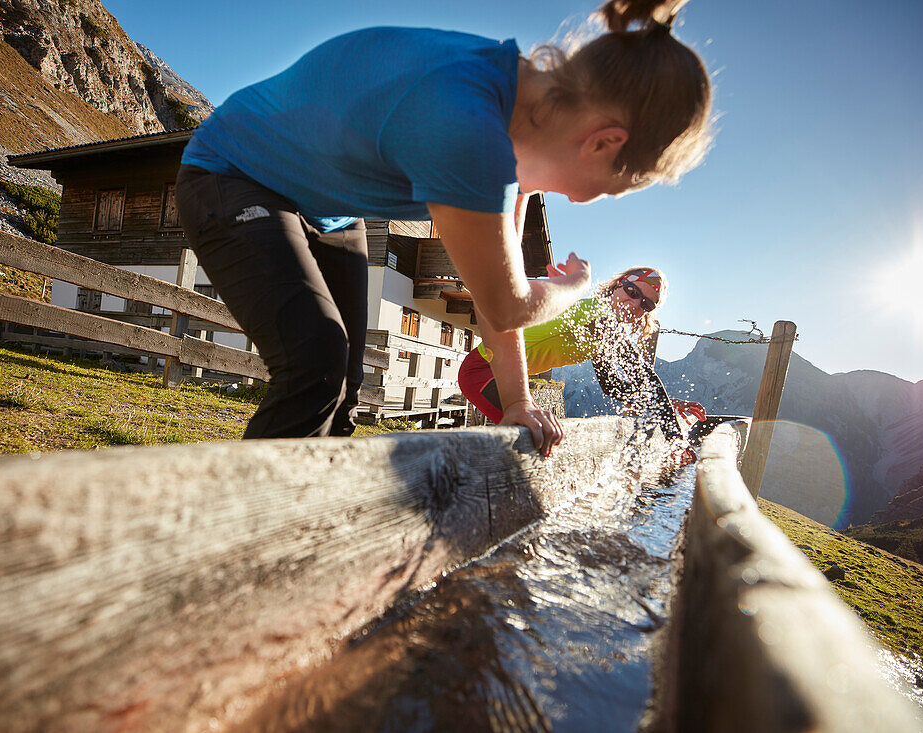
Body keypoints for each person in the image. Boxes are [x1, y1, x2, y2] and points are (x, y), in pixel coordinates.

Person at [175, 0, 712, 455]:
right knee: (315, 361)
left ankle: (323, 520)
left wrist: (520, 403)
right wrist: (576, 288)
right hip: (234, 174)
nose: (581, 198)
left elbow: (492, 299)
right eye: (607, 188)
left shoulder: (519, 128)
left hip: (328, 210)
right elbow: (508, 304)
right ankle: (247, 545)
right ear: (604, 142)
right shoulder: (469, 129)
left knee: (345, 382)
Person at [458, 267, 705, 439]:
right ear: (618, 287)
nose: (636, 305)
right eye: (633, 292)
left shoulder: (602, 334)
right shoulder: (597, 313)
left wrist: (664, 404)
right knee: (536, 437)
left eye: (647, 305)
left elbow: (612, 385)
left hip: (506, 377)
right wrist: (674, 438)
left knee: (539, 438)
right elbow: (644, 376)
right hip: (483, 370)